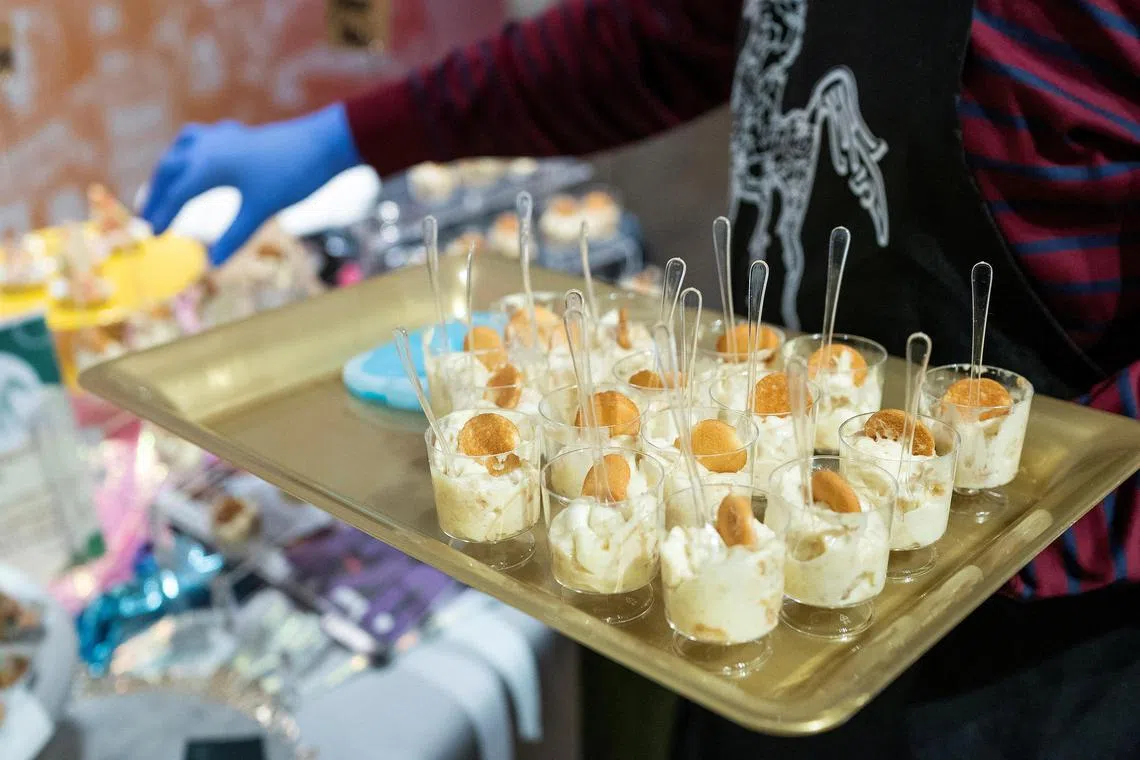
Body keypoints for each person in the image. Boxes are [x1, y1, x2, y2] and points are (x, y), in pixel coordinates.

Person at [143, 1, 1140, 756]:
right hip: (755, 576)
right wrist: (350, 136)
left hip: (1030, 664)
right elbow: (649, 39)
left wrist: (1014, 527)